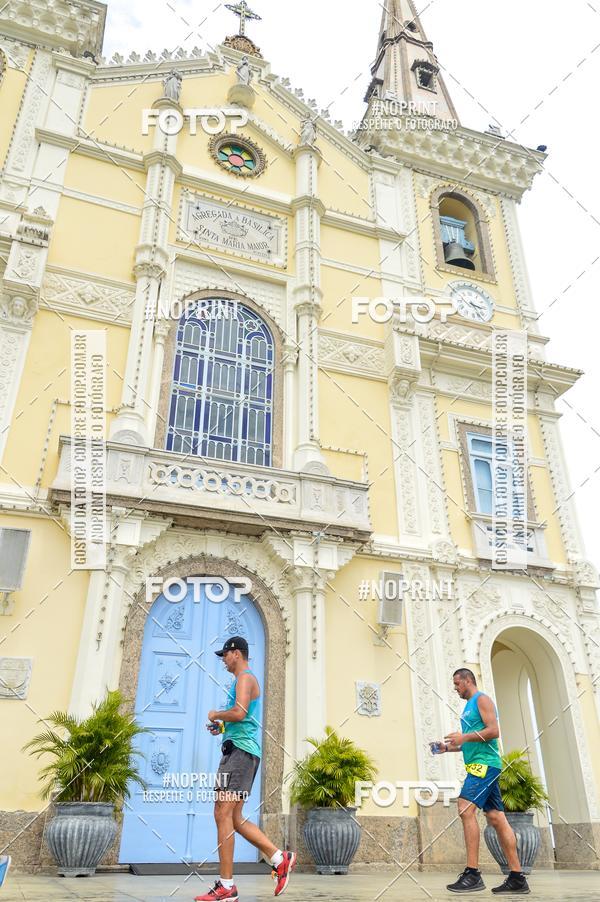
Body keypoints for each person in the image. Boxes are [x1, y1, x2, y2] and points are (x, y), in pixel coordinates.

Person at [195, 637, 296, 902]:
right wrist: (222, 728)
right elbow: (243, 719)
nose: (223, 660)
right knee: (233, 817)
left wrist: (216, 714)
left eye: (225, 655)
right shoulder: (242, 680)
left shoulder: (245, 678)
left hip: (241, 753)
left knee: (222, 812)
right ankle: (279, 858)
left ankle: (227, 886)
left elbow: (239, 712)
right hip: (237, 750)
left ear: (236, 653)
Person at [434, 668, 530, 895]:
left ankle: (473, 874)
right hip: (481, 764)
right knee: (496, 817)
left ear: (468, 681)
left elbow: (494, 731)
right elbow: (471, 741)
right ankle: (517, 878)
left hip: (485, 765)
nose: (455, 687)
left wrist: (464, 736)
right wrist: (447, 747)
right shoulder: (468, 708)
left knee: (465, 808)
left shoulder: (482, 699)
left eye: (457, 683)